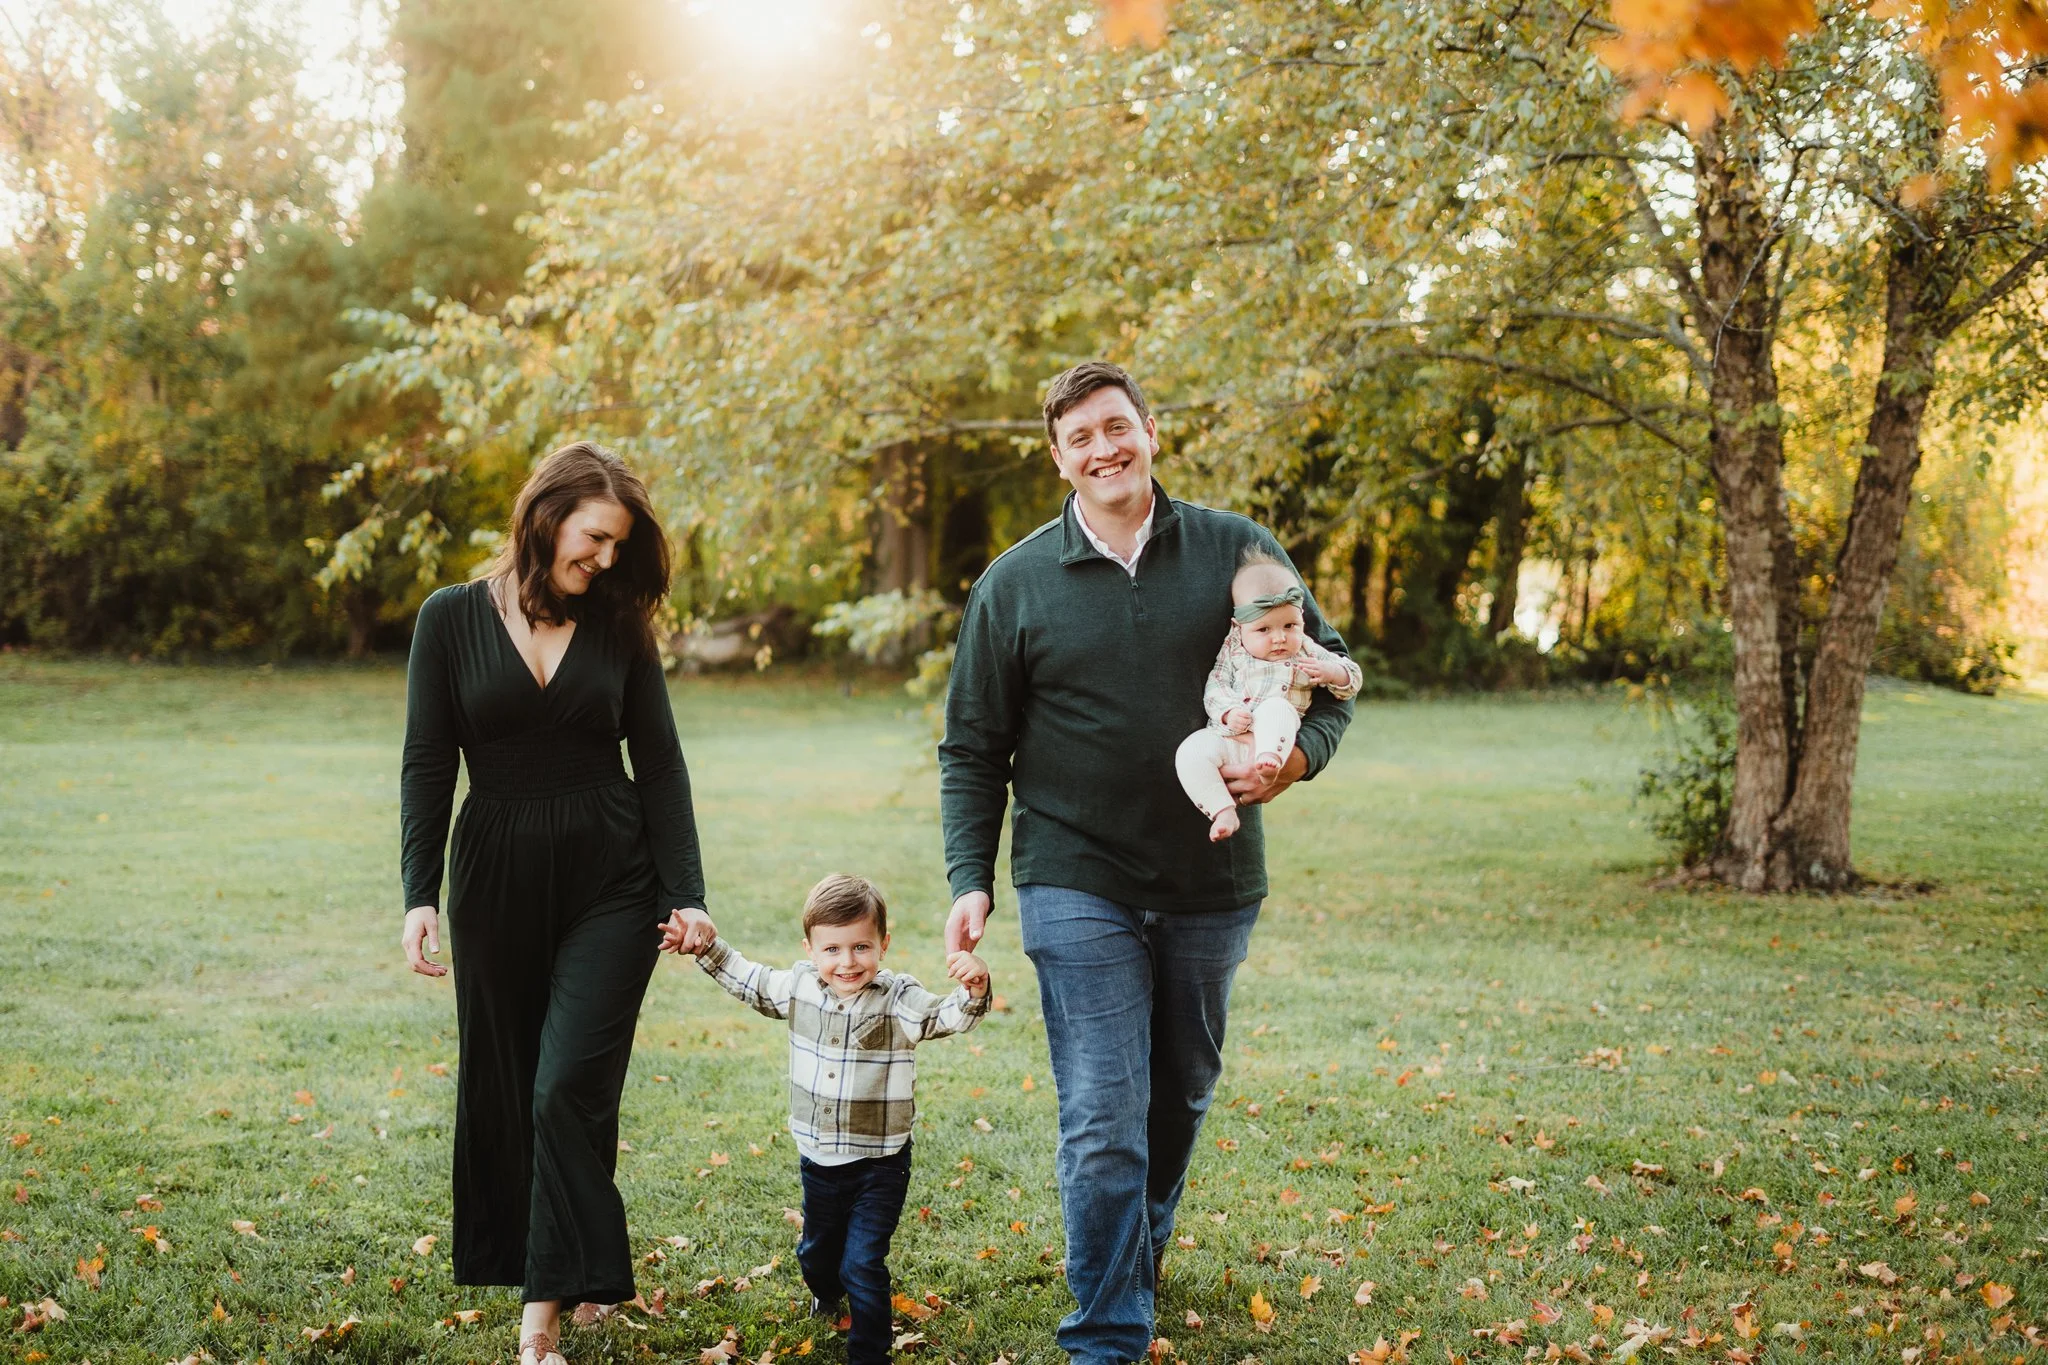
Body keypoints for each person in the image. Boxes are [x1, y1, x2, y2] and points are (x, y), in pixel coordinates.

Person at [938, 362, 1359, 1364]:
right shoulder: (1014, 583)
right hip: (1070, 873)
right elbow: (970, 746)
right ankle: (1106, 1335)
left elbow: (1331, 681)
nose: (1101, 449)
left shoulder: (1235, 552)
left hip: (1210, 882)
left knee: (1178, 1092)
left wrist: (1292, 762)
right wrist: (970, 878)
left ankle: (1140, 1242)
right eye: (1078, 437)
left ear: (1150, 433)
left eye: (1115, 427)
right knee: (1101, 1110)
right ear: (1057, 458)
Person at [398, 441, 718, 1365]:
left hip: (611, 877)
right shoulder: (448, 619)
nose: (607, 561)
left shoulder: (619, 626)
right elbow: (428, 760)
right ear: (546, 518)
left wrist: (685, 891)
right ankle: (575, 1272)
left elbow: (658, 760)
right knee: (510, 1083)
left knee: (566, 1081)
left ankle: (539, 1325)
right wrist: (419, 892)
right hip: (493, 874)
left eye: (619, 544)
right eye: (595, 538)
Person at [664, 874, 990, 1365]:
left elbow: (945, 1016)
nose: (848, 961)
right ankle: (824, 1290)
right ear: (811, 949)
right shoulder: (799, 987)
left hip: (881, 1163)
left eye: (861, 946)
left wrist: (973, 986)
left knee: (863, 1261)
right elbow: (749, 979)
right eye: (833, 949)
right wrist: (705, 948)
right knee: (818, 1256)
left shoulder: (897, 998)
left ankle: (869, 1353)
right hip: (818, 1161)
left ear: (884, 943)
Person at [1176, 551, 1365, 842]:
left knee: (1276, 708)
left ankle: (1268, 763)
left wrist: (1330, 672)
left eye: (1290, 626)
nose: (1279, 638)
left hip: (1276, 737)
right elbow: (1215, 688)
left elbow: (1352, 677)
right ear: (1239, 628)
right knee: (1190, 751)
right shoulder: (1233, 651)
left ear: (1302, 619)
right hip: (1231, 737)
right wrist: (1227, 712)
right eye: (1264, 629)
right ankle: (1221, 810)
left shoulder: (1307, 649)